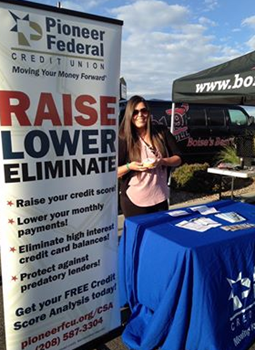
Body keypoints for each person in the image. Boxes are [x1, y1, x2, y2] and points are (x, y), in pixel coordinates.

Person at [118, 95, 182, 218]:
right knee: (139, 236)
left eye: (143, 110)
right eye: (135, 112)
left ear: (148, 112)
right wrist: (130, 166)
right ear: (129, 115)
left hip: (160, 198)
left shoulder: (161, 132)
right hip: (134, 201)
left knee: (160, 233)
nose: (140, 115)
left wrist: (162, 161)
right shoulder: (124, 138)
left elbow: (178, 158)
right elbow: (113, 172)